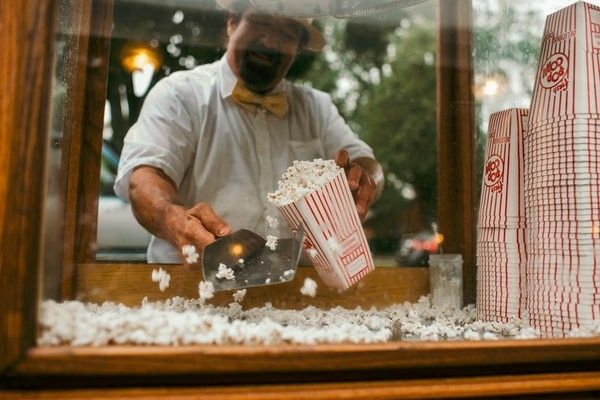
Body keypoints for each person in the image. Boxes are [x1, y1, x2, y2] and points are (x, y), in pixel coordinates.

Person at [114, 0, 384, 264]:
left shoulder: (317, 108)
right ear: (232, 22)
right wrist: (175, 219)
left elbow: (366, 162)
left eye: (287, 33)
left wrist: (362, 179)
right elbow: (144, 179)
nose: (269, 41)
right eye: (261, 22)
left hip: (294, 295)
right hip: (191, 287)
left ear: (299, 48)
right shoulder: (180, 94)